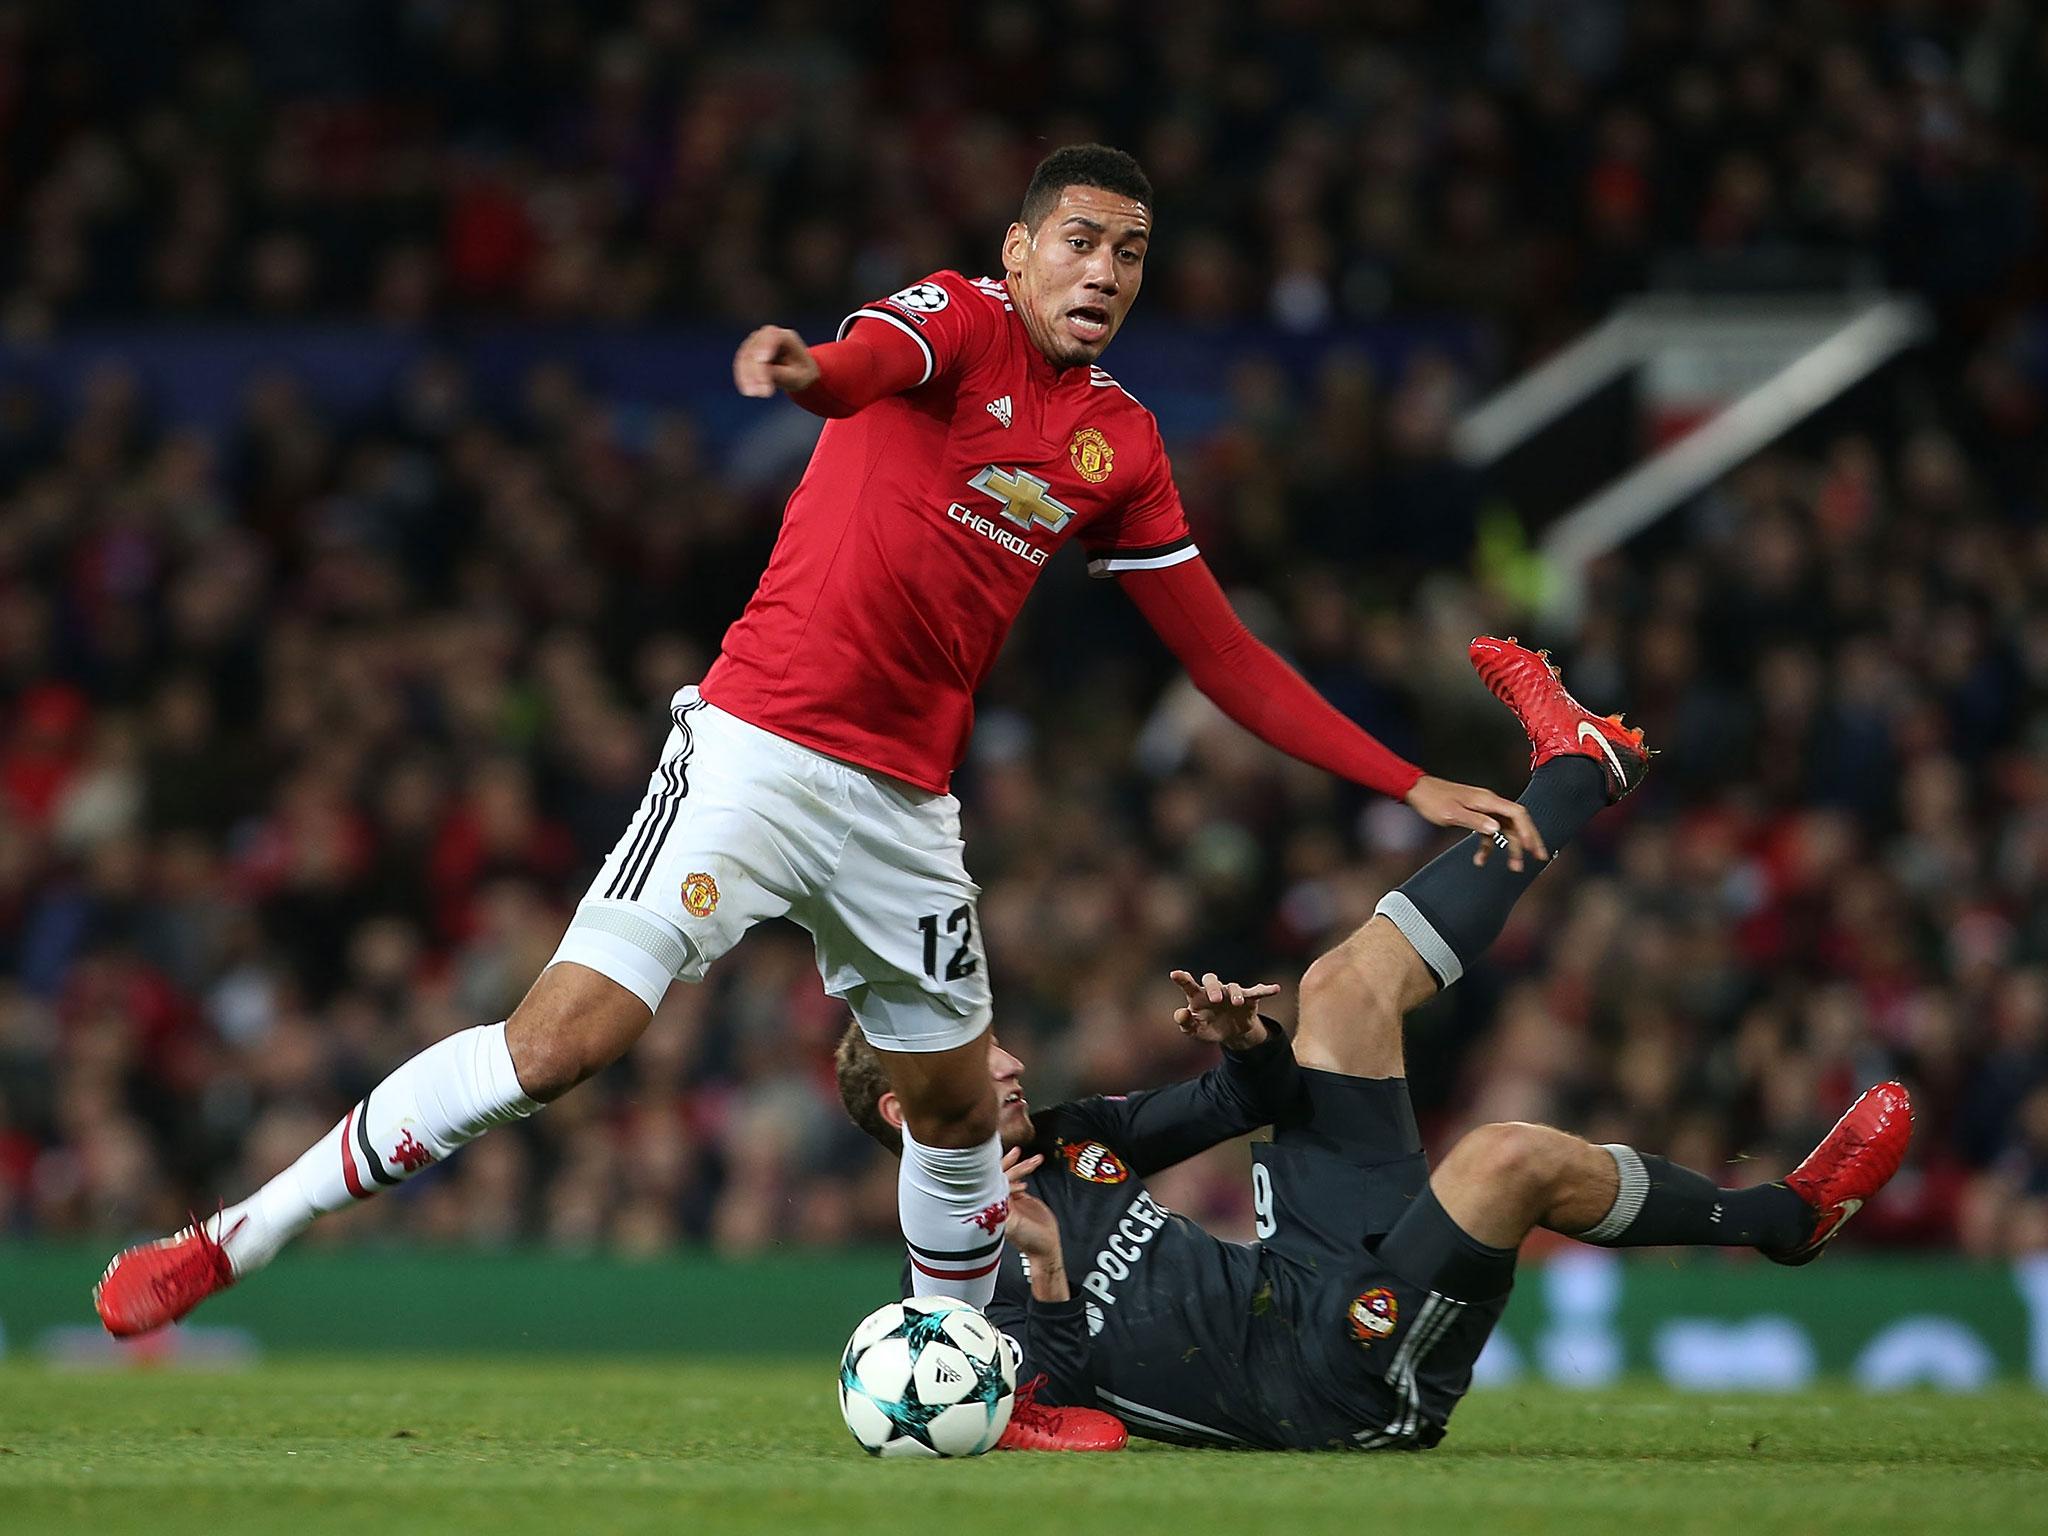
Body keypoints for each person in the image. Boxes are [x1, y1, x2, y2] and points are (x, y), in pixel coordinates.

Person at [93, 144, 1542, 1335]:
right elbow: (869, 358)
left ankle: (967, 1366)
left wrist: (1408, 778)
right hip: (756, 752)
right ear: (1021, 247)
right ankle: (236, 1235)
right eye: (1083, 242)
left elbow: (1219, 650)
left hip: (906, 808)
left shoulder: (1121, 442)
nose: (1105, 272)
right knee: (561, 1046)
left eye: (1133, 253)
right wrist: (807, 375)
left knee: (958, 1105)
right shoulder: (958, 321)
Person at [836, 640, 1912, 1449]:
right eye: (974, 1057)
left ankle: (1576, 769)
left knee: (1337, 987)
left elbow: (1238, 1104)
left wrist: (1246, 1039)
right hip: (1328, 1384)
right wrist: (1050, 1264)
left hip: (1300, 1270)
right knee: (1503, 1157)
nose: (1010, 1061)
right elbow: (1062, 1409)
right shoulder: (947, 1286)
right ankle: (1783, 1218)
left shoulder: (1074, 1140)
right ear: (902, 1104)